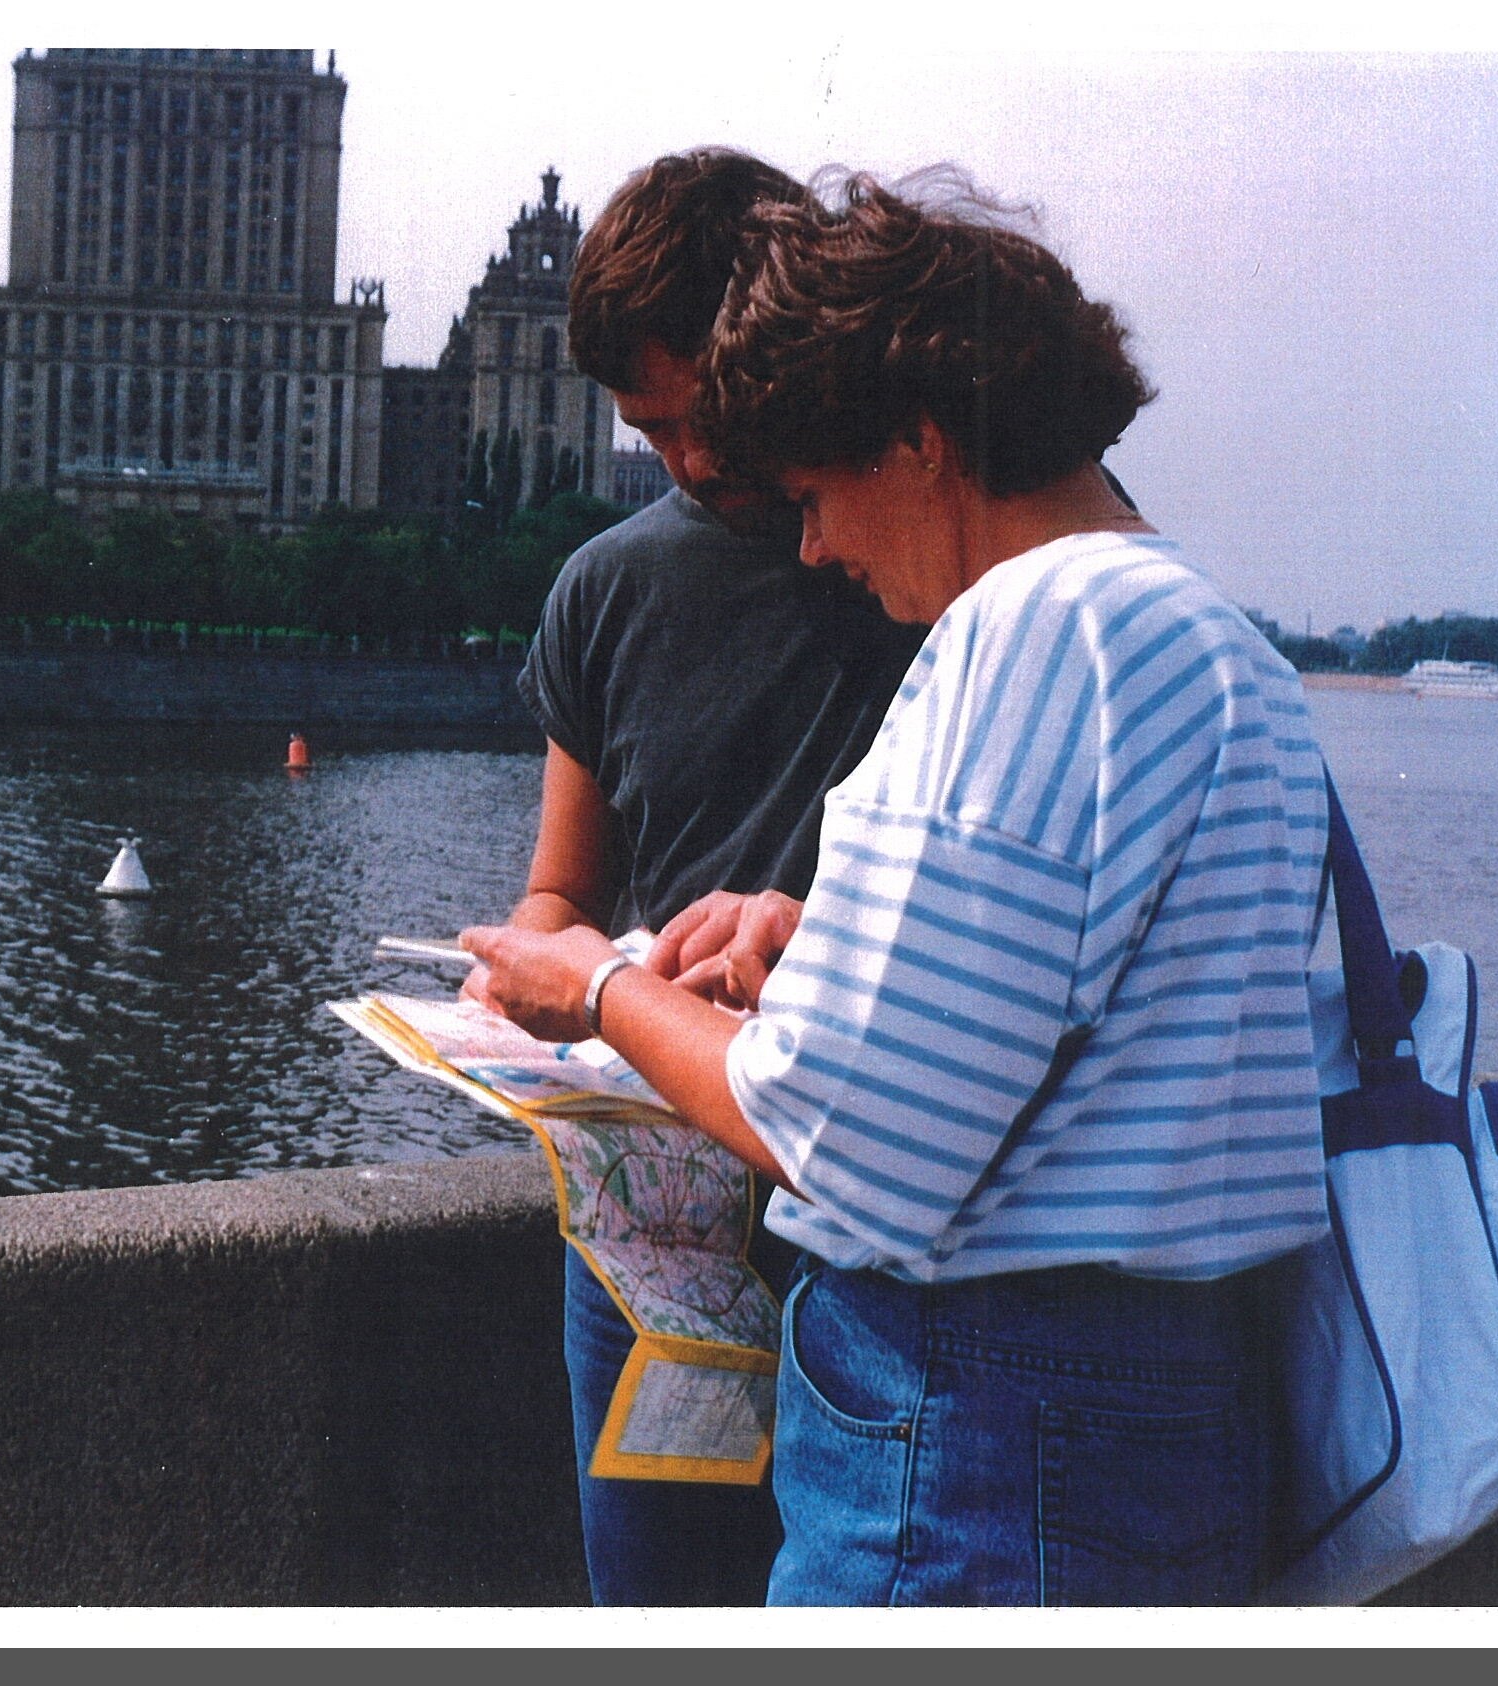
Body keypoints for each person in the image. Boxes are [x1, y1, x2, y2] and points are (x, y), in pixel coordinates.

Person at [462, 168, 1332, 1606]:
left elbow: (838, 1136)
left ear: (922, 441)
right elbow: (1097, 1023)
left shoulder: (1019, 638)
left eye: (814, 491)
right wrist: (824, 945)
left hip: (981, 1441)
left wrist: (601, 985)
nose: (813, 545)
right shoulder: (1220, 645)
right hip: (1181, 1408)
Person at [476, 149, 926, 1607]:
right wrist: (535, 984)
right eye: (646, 428)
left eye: (698, 417)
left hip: (864, 1227)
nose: (682, 459)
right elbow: (558, 896)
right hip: (651, 1237)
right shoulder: (606, 590)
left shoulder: (916, 555)